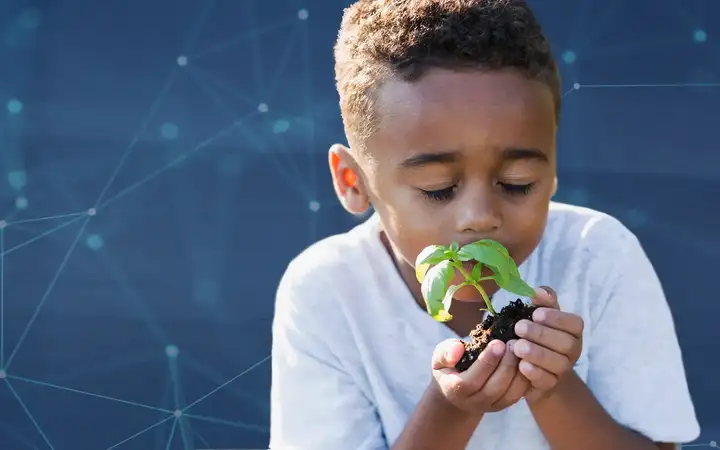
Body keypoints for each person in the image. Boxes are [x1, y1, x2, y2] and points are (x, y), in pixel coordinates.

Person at [269, 0, 700, 449]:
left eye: (517, 184)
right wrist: (452, 407)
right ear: (353, 181)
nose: (480, 216)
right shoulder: (327, 290)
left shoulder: (598, 255)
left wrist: (552, 387)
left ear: (552, 170)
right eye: (437, 188)